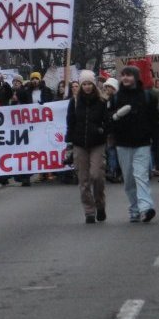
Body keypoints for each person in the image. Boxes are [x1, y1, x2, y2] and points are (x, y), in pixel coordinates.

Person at [109, 66, 159, 222]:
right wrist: (116, 116)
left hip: (142, 143)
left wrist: (154, 139)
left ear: (136, 77)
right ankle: (134, 209)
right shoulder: (116, 98)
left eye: (129, 75)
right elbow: (109, 120)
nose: (125, 78)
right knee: (129, 180)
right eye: (123, 75)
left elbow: (154, 120)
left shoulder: (148, 96)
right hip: (123, 144)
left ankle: (146, 208)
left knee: (141, 175)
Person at [66, 71, 111, 223]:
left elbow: (107, 121)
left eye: (89, 84)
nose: (86, 87)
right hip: (79, 144)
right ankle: (89, 211)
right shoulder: (74, 102)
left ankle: (100, 204)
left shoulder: (101, 101)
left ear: (93, 85)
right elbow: (70, 123)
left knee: (97, 175)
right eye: (84, 84)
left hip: (97, 143)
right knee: (83, 180)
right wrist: (69, 142)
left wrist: (102, 130)